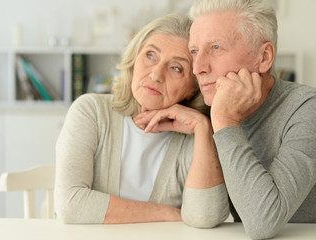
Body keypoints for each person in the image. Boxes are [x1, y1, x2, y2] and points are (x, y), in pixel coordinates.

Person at [137, 0, 316, 239]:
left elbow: (262, 223)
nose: (198, 68)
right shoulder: (206, 108)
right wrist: (205, 127)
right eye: (194, 51)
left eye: (215, 47)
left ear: (264, 57)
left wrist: (224, 120)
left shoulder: (311, 108)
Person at [54, 13, 229, 226]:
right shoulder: (91, 111)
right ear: (133, 59)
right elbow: (71, 206)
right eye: (150, 56)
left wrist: (203, 129)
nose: (156, 74)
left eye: (176, 68)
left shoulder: (194, 135)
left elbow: (205, 217)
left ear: (193, 88)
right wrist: (169, 213)